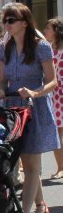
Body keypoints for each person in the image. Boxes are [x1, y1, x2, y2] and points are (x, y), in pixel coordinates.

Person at [0, 2, 59, 213]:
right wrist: (0, 90)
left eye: (11, 20)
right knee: (23, 160)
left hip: (35, 107)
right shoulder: (5, 48)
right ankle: (39, 205)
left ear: (24, 22)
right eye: (5, 20)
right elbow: (2, 80)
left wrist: (34, 92)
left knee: (32, 163)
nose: (6, 25)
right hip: (12, 108)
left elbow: (52, 81)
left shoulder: (41, 46)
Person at [44, 17, 63, 179]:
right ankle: (61, 167)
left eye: (48, 28)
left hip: (61, 94)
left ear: (56, 31)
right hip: (54, 96)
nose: (45, 31)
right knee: (57, 132)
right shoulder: (49, 48)